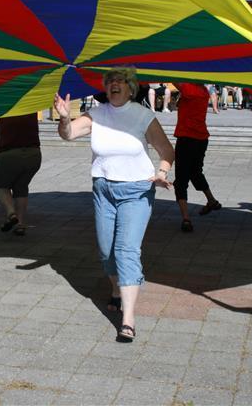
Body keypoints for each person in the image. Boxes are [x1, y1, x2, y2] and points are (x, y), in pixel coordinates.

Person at [54, 67, 174, 342]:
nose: (115, 85)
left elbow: (167, 150)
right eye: (110, 82)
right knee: (107, 251)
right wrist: (63, 118)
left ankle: (128, 319)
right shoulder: (96, 114)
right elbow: (68, 133)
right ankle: (117, 289)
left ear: (131, 88)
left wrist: (162, 172)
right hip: (103, 190)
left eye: (120, 81)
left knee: (126, 250)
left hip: (136, 191)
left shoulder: (143, 115)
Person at [173, 83, 221, 232]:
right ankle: (211, 200)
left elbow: (172, 77)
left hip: (187, 138)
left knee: (181, 179)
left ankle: (186, 218)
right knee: (195, 171)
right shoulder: (204, 90)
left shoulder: (189, 88)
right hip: (201, 138)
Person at [0, 113, 42, 236]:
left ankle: (11, 214)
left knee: (1, 186)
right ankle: (20, 224)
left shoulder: (7, 107)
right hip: (34, 153)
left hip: (10, 153)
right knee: (21, 187)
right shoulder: (31, 107)